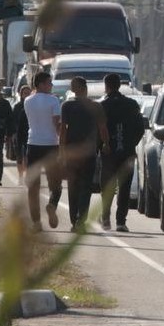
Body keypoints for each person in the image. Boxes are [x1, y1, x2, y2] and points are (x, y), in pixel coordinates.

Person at [60, 77, 109, 232]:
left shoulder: (67, 106)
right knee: (86, 186)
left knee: (73, 186)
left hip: (72, 152)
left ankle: (74, 220)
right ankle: (81, 219)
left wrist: (61, 150)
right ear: (85, 88)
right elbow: (103, 128)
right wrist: (106, 144)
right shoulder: (96, 106)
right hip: (89, 152)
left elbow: (63, 130)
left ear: (76, 89)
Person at [100, 73, 144, 232]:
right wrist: (132, 143)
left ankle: (105, 219)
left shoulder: (103, 106)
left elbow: (98, 130)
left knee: (107, 187)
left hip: (108, 152)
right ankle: (120, 221)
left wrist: (102, 146)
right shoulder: (132, 104)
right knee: (124, 187)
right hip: (127, 152)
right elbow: (140, 129)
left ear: (107, 86)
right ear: (119, 86)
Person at [24, 71, 62, 231]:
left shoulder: (27, 100)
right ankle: (52, 204)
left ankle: (36, 222)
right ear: (40, 84)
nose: (51, 85)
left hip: (33, 144)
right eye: (49, 82)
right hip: (51, 145)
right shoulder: (54, 101)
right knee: (56, 183)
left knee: (33, 186)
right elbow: (56, 124)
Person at [10, 84, 32, 186]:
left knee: (27, 157)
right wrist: (13, 133)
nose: (27, 95)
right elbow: (13, 121)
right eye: (25, 93)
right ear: (21, 94)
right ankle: (20, 176)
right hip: (19, 134)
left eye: (28, 93)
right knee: (19, 157)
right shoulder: (17, 107)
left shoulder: (33, 105)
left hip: (30, 134)